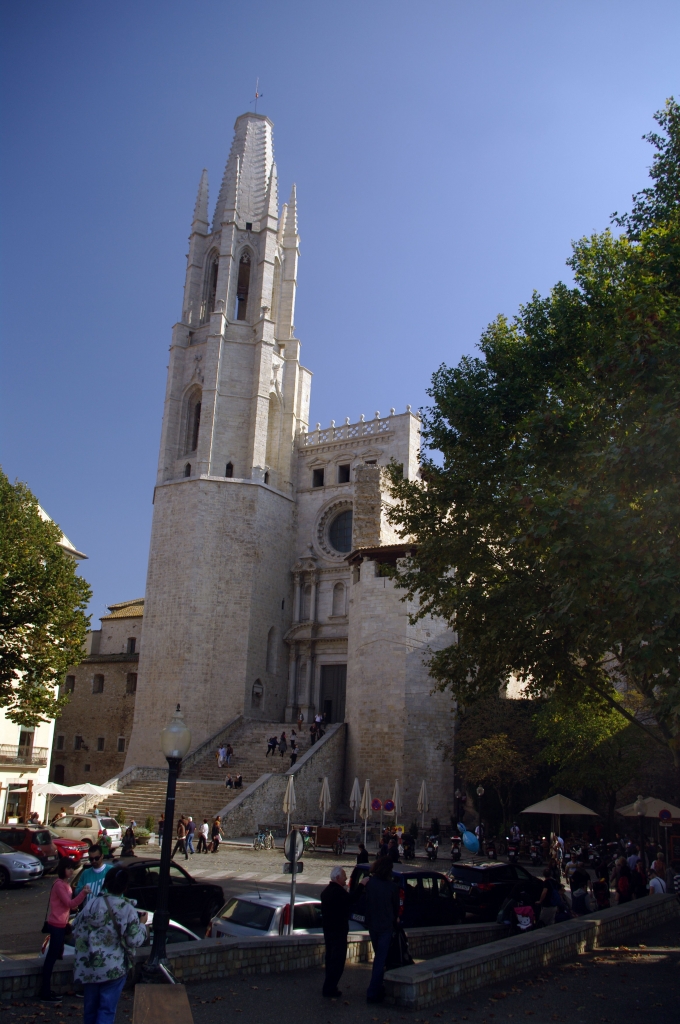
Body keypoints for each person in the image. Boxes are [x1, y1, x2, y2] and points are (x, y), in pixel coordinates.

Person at [72, 865, 148, 1024]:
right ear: (125, 887)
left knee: (90, 1010)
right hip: (113, 967)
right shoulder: (127, 909)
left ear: (106, 883)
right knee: (106, 1010)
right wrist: (142, 925)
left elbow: (76, 928)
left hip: (89, 966)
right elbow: (134, 940)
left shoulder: (92, 904)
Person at [40, 857, 90, 1003]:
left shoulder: (66, 884)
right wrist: (83, 893)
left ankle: (46, 990)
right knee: (51, 958)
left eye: (72, 868)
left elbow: (71, 906)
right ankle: (45, 992)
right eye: (68, 868)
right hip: (56, 924)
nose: (71, 870)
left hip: (61, 924)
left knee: (55, 956)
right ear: (62, 869)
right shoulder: (59, 885)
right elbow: (70, 903)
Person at [320, 866, 367, 998]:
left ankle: (329, 986)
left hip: (328, 931)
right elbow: (352, 899)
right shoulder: (338, 892)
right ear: (338, 878)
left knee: (330, 959)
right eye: (344, 876)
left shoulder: (326, 892)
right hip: (338, 931)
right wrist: (362, 885)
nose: (346, 879)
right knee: (337, 961)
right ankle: (330, 988)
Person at [364, 856, 400, 1004]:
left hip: (373, 925)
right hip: (385, 926)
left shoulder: (370, 883)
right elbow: (396, 908)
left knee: (379, 956)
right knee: (380, 959)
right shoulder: (392, 887)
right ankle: (373, 991)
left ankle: (377, 987)